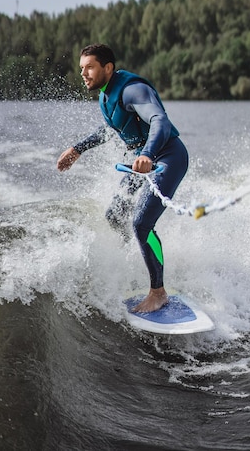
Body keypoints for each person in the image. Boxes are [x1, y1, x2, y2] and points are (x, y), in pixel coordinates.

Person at [57, 44, 189, 313]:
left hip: (166, 159)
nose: (84, 73)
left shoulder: (132, 89)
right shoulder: (106, 95)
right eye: (81, 68)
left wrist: (149, 154)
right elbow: (112, 127)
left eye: (90, 67)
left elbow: (159, 121)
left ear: (108, 68)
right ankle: (141, 259)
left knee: (141, 223)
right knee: (114, 215)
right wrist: (78, 148)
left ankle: (158, 291)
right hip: (141, 162)